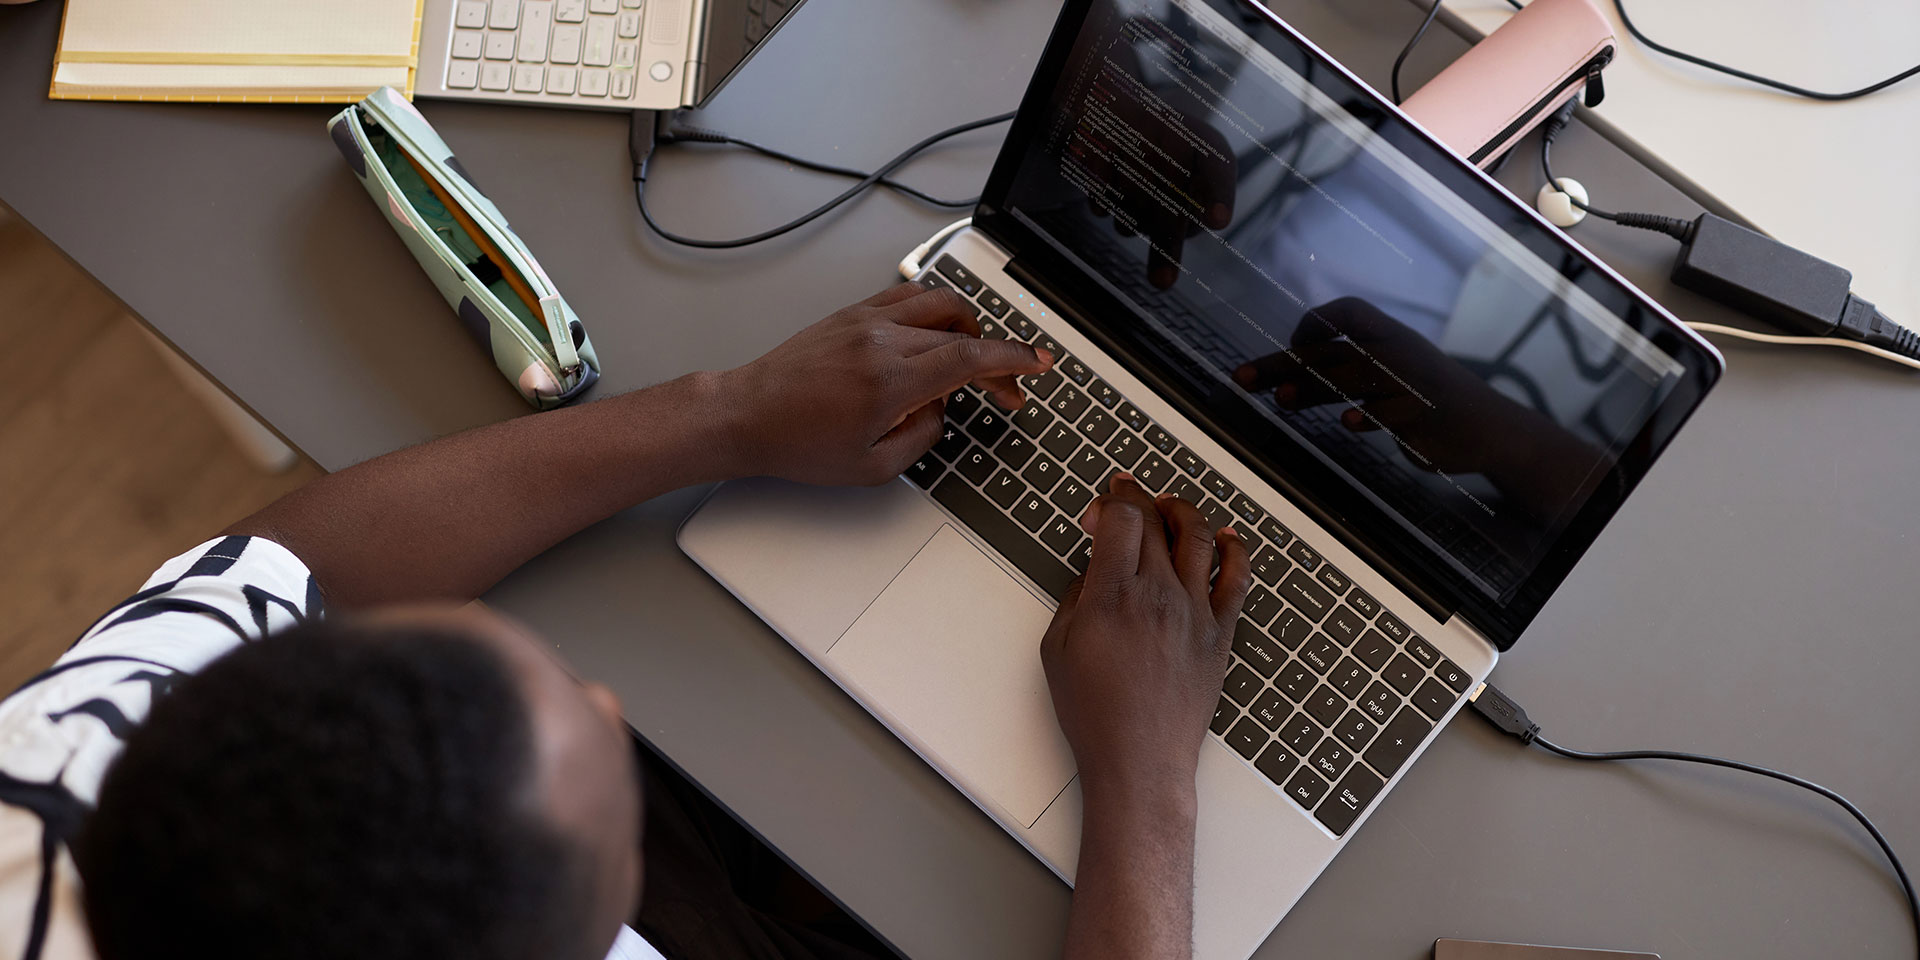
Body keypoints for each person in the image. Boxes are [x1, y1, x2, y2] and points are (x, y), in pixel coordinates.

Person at [0, 282, 1250, 960]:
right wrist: (1148, 786)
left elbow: (295, 566)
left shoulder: (49, 775)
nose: (609, 705)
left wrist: (731, 411)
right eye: (598, 767)